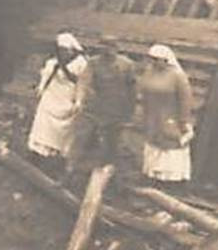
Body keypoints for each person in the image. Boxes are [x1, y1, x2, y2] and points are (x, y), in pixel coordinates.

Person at [69, 45, 139, 177]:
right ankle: (74, 170)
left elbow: (132, 89)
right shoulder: (93, 63)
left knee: (113, 143)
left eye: (111, 50)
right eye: (105, 51)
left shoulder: (127, 65)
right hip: (96, 108)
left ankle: (112, 174)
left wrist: (129, 111)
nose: (108, 53)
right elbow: (84, 81)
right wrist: (79, 100)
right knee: (83, 137)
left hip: (117, 109)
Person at [136, 43, 196, 185]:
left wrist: (183, 120)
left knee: (170, 144)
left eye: (158, 59)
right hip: (152, 114)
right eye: (152, 59)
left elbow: (185, 99)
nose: (155, 62)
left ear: (166, 59)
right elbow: (143, 90)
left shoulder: (177, 76)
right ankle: (152, 175)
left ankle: (172, 179)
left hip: (170, 115)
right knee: (153, 143)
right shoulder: (149, 72)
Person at [26, 32, 88, 170]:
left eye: (66, 49)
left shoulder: (81, 63)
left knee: (64, 128)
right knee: (43, 123)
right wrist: (41, 88)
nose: (63, 52)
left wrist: (79, 100)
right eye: (61, 49)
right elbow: (47, 76)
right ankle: (38, 152)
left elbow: (83, 83)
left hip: (68, 96)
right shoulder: (53, 62)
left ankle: (58, 154)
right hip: (52, 94)